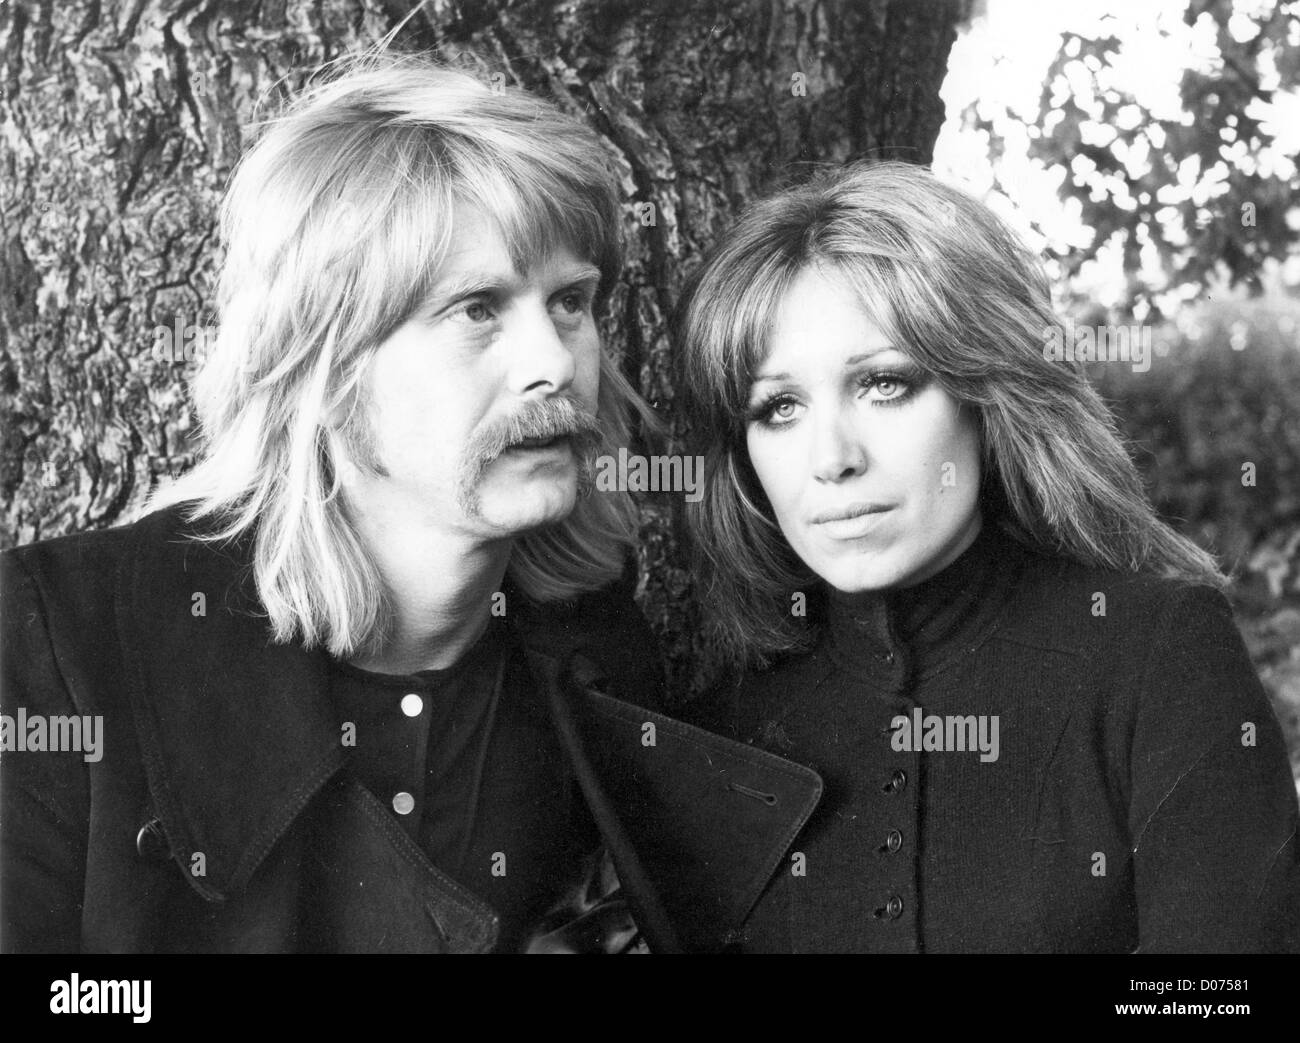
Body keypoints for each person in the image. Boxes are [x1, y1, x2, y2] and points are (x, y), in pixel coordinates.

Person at [0, 55, 819, 954]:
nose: (554, 362)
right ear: (327, 365)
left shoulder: (601, 661)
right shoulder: (56, 644)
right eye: (476, 309)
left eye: (571, 301)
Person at [676, 160, 1300, 953]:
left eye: (884, 384)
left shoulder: (1157, 653)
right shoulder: (720, 732)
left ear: (987, 393)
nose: (830, 457)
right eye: (780, 407)